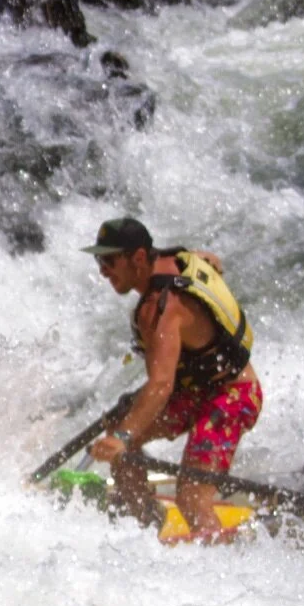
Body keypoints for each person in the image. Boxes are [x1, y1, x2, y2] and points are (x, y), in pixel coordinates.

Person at [80, 216, 260, 541]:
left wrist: (120, 437)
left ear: (137, 258)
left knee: (190, 497)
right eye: (98, 259)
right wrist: (122, 433)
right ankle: (144, 521)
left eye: (109, 260)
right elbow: (210, 261)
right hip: (195, 390)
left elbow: (161, 385)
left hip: (232, 396)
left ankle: (219, 555)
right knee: (122, 429)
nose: (102, 270)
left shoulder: (161, 310)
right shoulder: (174, 259)